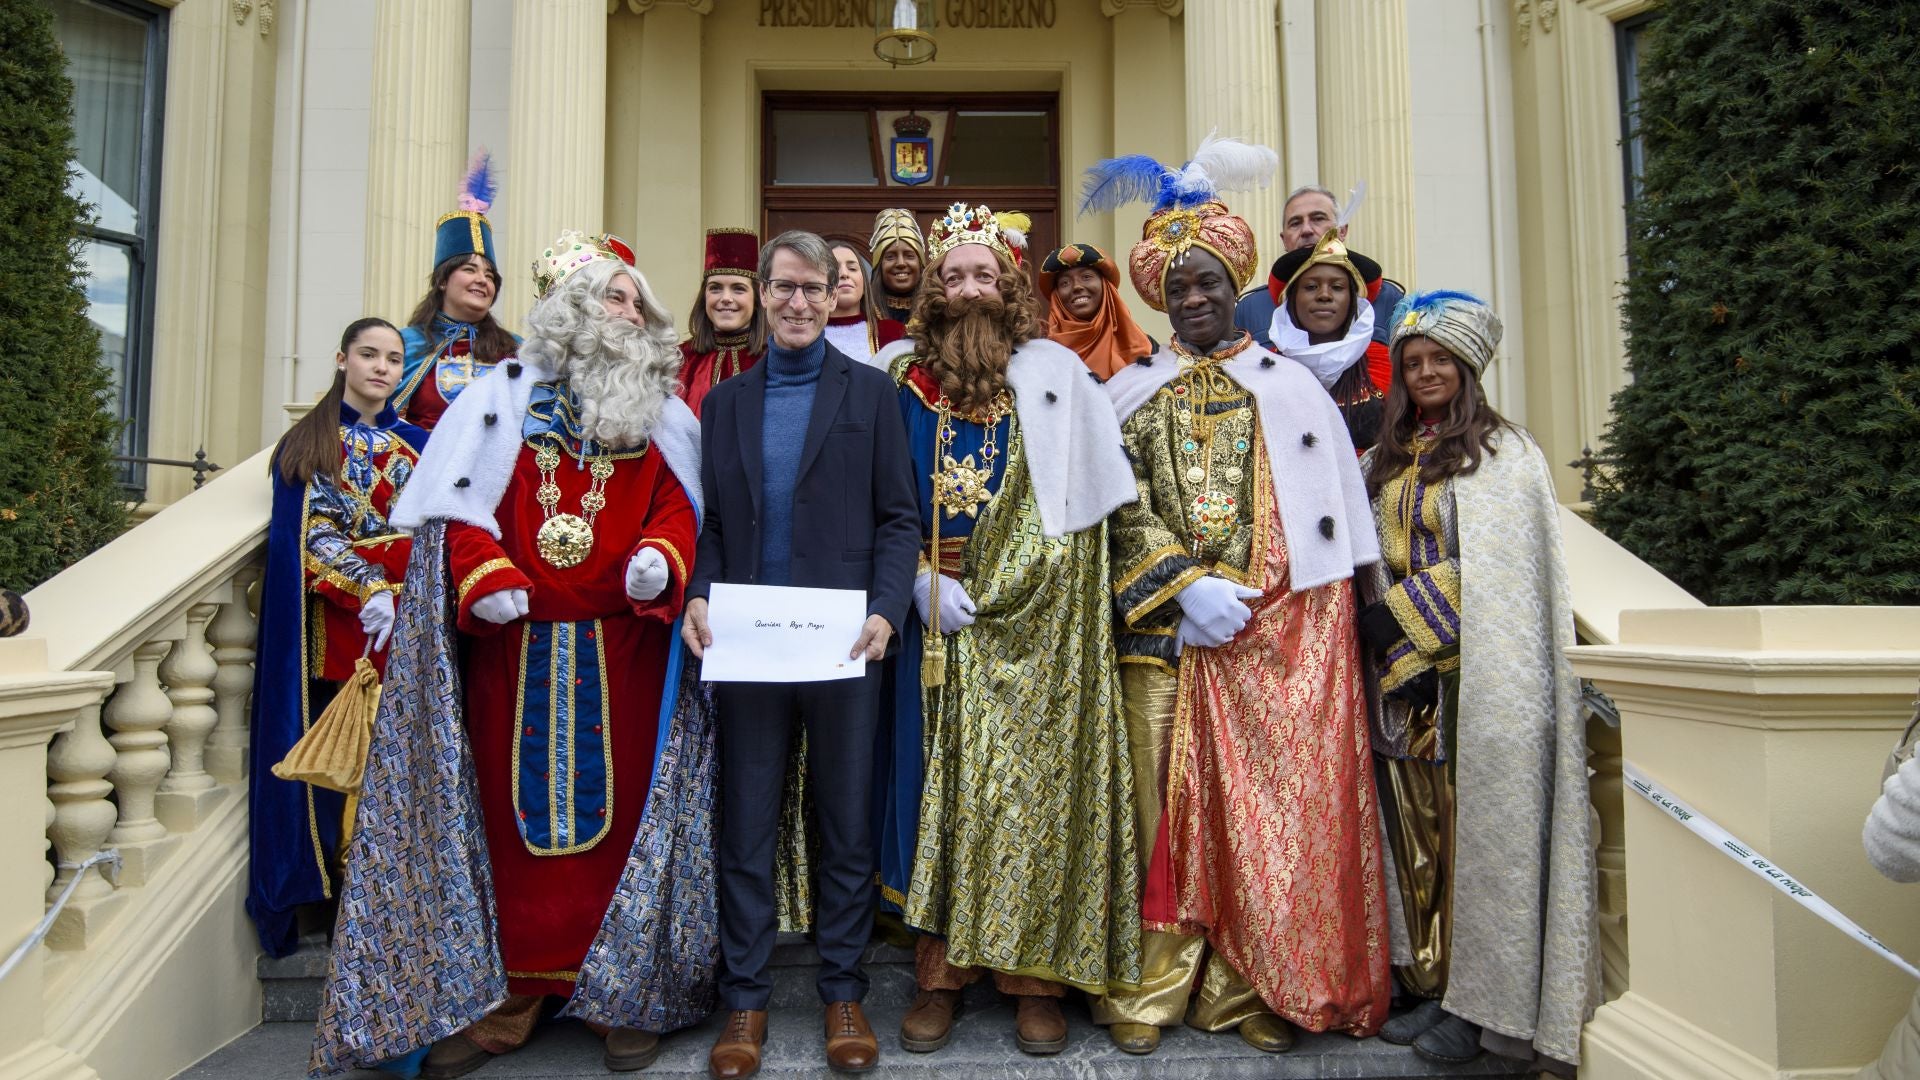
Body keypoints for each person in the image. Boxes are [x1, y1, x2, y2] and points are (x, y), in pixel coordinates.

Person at [309, 231, 714, 1079]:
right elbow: (457, 510)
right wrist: (483, 572)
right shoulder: (497, 399)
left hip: (627, 649)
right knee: (502, 811)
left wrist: (662, 557)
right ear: (571, 311)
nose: (628, 313)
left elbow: (681, 505)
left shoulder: (664, 413)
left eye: (637, 302)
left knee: (635, 814)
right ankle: (516, 986)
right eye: (613, 298)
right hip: (515, 646)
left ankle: (624, 988)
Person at [1086, 138, 1391, 1056]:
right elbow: (1110, 507)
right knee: (1156, 809)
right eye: (1178, 287)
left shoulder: (1291, 389)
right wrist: (1182, 589)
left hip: (1268, 638)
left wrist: (1260, 602)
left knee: (1260, 811)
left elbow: (1324, 532)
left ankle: (1248, 980)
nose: (1194, 298)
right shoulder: (1129, 392)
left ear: (1237, 287)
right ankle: (1152, 981)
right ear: (1161, 297)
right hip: (1161, 634)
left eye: (1209, 282)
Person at [869, 202, 1142, 1057]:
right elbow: (879, 499)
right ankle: (940, 974)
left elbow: (1084, 516)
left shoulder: (1057, 374)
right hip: (933, 620)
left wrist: (1029, 588)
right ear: (935, 294)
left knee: (1029, 795)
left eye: (982, 274)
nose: (966, 287)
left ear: (1010, 286)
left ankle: (1034, 981)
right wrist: (917, 580)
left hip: (1036, 628)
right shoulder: (901, 382)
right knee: (935, 790)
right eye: (952, 276)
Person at [683, 230, 920, 1080]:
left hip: (845, 641)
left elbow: (901, 518)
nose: (795, 303)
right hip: (747, 642)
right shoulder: (726, 404)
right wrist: (700, 595)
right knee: (746, 823)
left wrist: (889, 611)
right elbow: (710, 524)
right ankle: (745, 1001)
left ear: (832, 297)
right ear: (762, 292)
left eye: (812, 288)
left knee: (844, 822)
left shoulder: (871, 394)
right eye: (782, 287)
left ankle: (843, 991)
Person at [1356, 290, 1597, 1070]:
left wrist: (1407, 623)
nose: (1426, 372)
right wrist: (1385, 639)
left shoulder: (1506, 455)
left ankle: (1478, 1001)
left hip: (1472, 681)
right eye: (1415, 362)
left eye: (1440, 362)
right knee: (1413, 839)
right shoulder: (1383, 456)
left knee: (1474, 846)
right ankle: (1424, 978)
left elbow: (1503, 570)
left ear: (1467, 369)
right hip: (1396, 685)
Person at [247, 317, 427, 960]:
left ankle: (395, 891)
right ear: (342, 359)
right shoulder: (312, 442)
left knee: (401, 761)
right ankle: (335, 895)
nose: (381, 367)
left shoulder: (421, 443)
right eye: (369, 354)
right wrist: (368, 586)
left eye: (392, 357)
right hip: (344, 629)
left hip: (410, 622)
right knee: (340, 761)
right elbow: (313, 537)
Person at [395, 152, 520, 429]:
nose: (482, 280)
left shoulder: (515, 348)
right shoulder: (405, 345)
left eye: (489, 275)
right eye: (469, 270)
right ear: (443, 280)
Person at [1232, 184, 1404, 353]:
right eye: (1295, 223)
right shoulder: (1250, 309)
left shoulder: (1387, 298)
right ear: (1284, 239)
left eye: (1318, 219)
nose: (1306, 230)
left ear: (1342, 231)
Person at [1269, 228, 1392, 450]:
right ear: (1293, 298)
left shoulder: (1385, 362)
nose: (1324, 295)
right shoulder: (1266, 368)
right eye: (1311, 287)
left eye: (1337, 287)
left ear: (1352, 300)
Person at [679, 227, 765, 418]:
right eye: (715, 288)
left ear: (757, 299)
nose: (726, 298)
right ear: (705, 296)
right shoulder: (677, 361)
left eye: (738, 289)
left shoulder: (773, 360)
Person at [1037, 243, 1155, 379]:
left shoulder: (1149, 348)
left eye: (1086, 277)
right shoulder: (1043, 355)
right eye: (1065, 283)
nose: (1076, 287)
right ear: (1056, 297)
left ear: (1106, 286)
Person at [824, 242, 905, 366]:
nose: (844, 274)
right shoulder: (807, 335)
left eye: (852, 268)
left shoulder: (893, 333)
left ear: (864, 284)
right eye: (834, 269)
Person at [869, 209, 926, 324]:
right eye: (890, 257)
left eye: (909, 256)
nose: (901, 263)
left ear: (920, 264)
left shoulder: (936, 312)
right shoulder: (865, 313)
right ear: (878, 265)